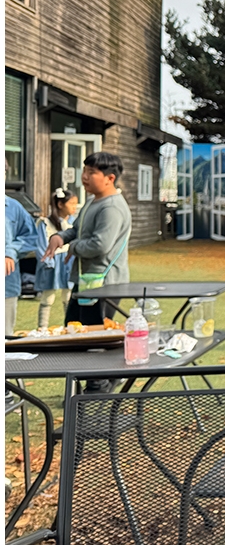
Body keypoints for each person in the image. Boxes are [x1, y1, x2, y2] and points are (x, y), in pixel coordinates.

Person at [42, 151, 132, 383]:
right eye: (84, 171)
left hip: (104, 284)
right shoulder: (93, 201)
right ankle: (85, 386)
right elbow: (77, 230)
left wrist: (73, 247)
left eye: (91, 173)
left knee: (95, 339)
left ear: (110, 178)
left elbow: (100, 245)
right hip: (87, 281)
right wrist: (61, 237)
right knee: (74, 332)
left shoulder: (111, 208)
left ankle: (98, 387)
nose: (84, 177)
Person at [35, 188, 79, 329]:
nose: (74, 207)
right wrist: (48, 262)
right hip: (52, 262)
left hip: (68, 261)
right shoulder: (45, 223)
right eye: (71, 204)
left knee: (69, 296)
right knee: (48, 297)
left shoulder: (74, 223)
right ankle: (42, 328)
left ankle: (71, 327)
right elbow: (41, 245)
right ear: (60, 204)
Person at [5, 195, 38, 336]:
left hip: (6, 284)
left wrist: (10, 252)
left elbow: (30, 236)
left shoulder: (13, 207)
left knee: (5, 336)